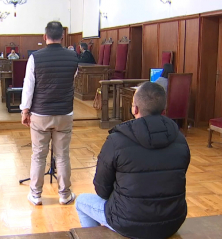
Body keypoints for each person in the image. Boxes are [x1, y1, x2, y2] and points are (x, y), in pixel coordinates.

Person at [75, 82, 190, 239]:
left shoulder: (117, 140)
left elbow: (101, 189)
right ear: (164, 112)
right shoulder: (180, 139)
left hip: (129, 222)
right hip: (172, 221)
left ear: (134, 109)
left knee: (81, 202)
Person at [20, 21, 79, 206]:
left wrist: (25, 109)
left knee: (38, 155)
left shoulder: (35, 57)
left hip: (40, 113)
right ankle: (64, 194)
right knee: (63, 156)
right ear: (63, 36)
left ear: (44, 37)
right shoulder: (73, 57)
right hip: (64, 113)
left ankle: (36, 195)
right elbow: (72, 78)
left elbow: (29, 86)